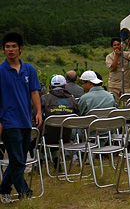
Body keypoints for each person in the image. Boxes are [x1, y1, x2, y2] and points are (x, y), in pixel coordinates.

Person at [0, 32, 42, 202]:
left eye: (14, 46)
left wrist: (38, 112)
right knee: (17, 159)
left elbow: (34, 92)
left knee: (19, 159)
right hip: (8, 121)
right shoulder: (1, 70)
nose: (11, 49)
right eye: (7, 47)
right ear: (4, 50)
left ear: (20, 49)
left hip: (25, 120)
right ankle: (25, 193)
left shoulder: (29, 69)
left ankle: (3, 189)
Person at [40, 74, 79, 168]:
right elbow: (79, 116)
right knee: (56, 131)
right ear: (65, 86)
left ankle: (39, 165)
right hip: (67, 136)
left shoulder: (44, 98)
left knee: (42, 135)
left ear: (50, 86)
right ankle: (57, 162)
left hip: (48, 137)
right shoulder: (72, 99)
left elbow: (38, 116)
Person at [106, 37, 130, 103]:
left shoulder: (126, 54)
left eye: (118, 44)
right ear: (112, 47)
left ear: (121, 45)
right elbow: (112, 68)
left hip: (125, 84)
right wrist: (116, 56)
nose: (117, 46)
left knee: (128, 104)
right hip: (114, 85)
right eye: (115, 45)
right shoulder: (109, 57)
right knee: (115, 104)